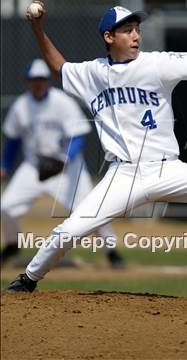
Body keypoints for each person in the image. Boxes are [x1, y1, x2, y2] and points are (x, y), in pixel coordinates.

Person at [7, 2, 187, 292]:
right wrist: (38, 30)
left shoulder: (157, 63)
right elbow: (59, 67)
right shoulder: (92, 73)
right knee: (70, 230)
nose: (136, 35)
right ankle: (27, 280)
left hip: (167, 168)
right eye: (127, 30)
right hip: (123, 175)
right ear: (109, 37)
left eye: (137, 29)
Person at [1, 58, 126, 269]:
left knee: (91, 210)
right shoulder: (21, 106)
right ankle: (12, 245)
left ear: (48, 81)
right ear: (26, 82)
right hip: (35, 167)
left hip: (67, 167)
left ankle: (112, 251)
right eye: (33, 80)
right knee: (6, 207)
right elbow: (13, 140)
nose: (37, 83)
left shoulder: (62, 102)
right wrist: (4, 164)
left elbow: (78, 136)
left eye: (41, 79)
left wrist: (66, 158)